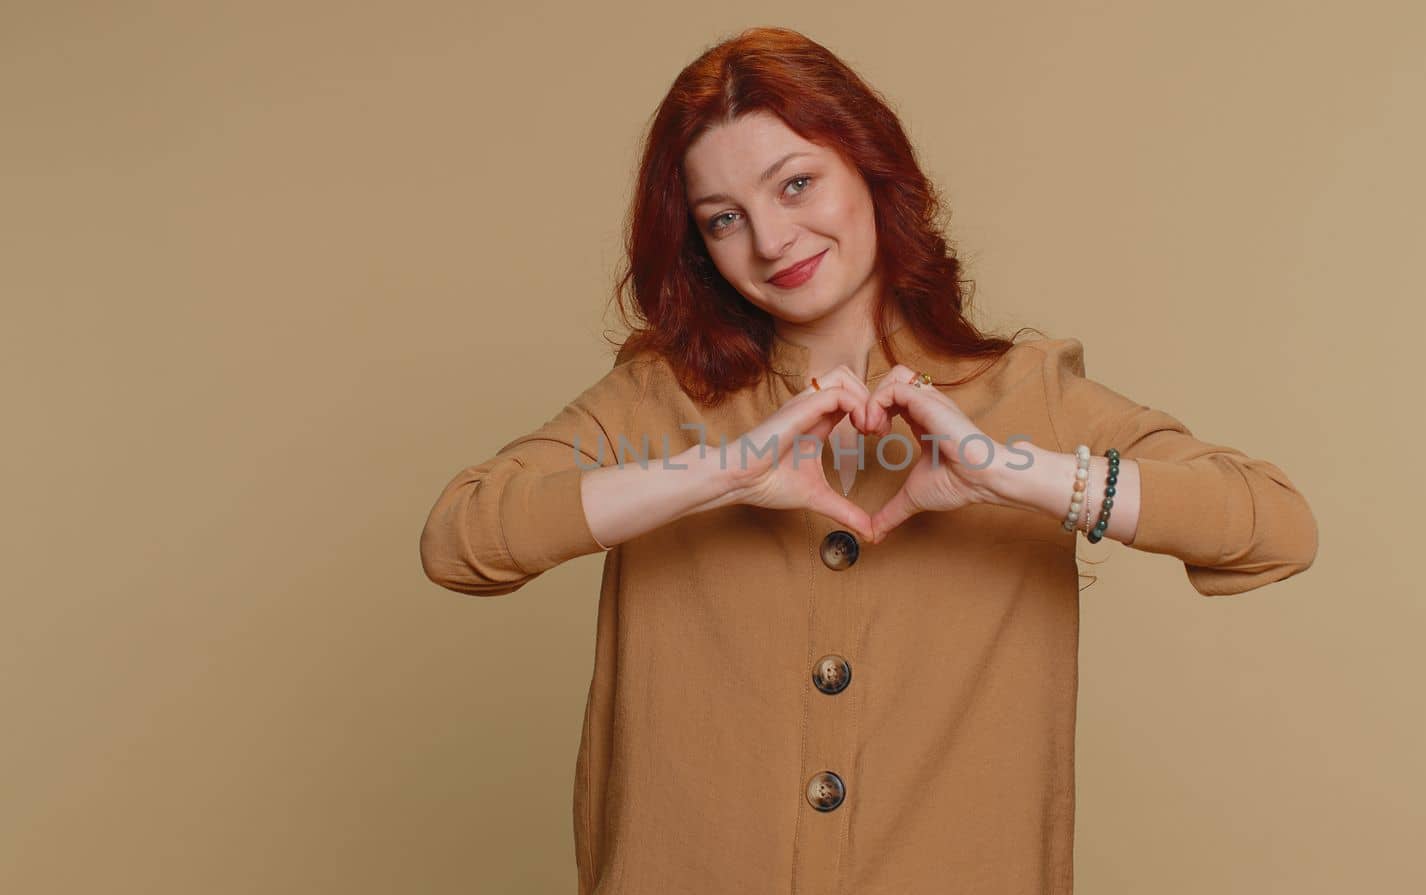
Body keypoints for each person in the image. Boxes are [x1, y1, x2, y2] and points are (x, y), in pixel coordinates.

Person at [419, 26, 1318, 895]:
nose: (770, 241)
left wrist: (1018, 473)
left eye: (797, 183)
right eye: (724, 218)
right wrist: (717, 473)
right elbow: (461, 539)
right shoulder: (658, 399)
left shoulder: (1023, 394)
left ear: (871, 167)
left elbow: (1272, 525)